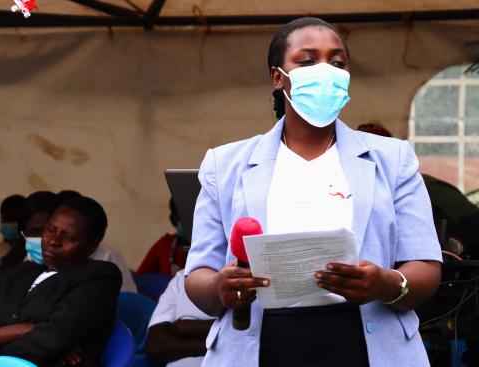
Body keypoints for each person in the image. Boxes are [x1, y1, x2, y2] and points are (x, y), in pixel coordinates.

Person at [184, 17, 442, 367]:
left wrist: (384, 284)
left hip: (365, 343)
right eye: (307, 61)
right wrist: (220, 288)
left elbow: (425, 266)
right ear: (278, 77)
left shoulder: (393, 158)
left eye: (337, 63)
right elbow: (198, 274)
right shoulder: (224, 164)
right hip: (260, 345)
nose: (325, 71)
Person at [0, 196, 122, 367]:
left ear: (92, 246)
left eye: (67, 237)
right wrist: (26, 329)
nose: (53, 241)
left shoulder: (99, 276)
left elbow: (52, 339)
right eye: (50, 230)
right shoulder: (21, 272)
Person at [57, 189, 137, 293]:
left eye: (67, 235)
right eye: (52, 229)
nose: (54, 241)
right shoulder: (46, 256)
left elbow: (127, 298)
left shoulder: (108, 256)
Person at [145, 268, 215, 367]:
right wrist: (216, 345)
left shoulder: (240, 281)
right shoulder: (181, 277)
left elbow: (240, 332)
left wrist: (184, 328)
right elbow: (154, 344)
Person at [136, 199, 188, 277]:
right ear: (172, 220)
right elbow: (140, 279)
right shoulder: (165, 245)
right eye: (179, 218)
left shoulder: (207, 245)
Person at [0, 194, 26, 268]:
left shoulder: (32, 253)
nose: (10, 222)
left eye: (15, 219)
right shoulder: (1, 250)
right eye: (7, 218)